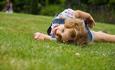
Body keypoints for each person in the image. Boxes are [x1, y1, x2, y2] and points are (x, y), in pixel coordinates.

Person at [34, 9, 115, 45]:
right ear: (67, 24)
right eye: (62, 31)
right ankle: (100, 33)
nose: (57, 33)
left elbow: (53, 39)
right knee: (98, 35)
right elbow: (78, 13)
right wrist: (88, 16)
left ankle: (103, 34)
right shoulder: (66, 16)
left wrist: (43, 36)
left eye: (61, 36)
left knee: (103, 37)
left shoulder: (66, 38)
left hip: (86, 35)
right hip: (80, 25)